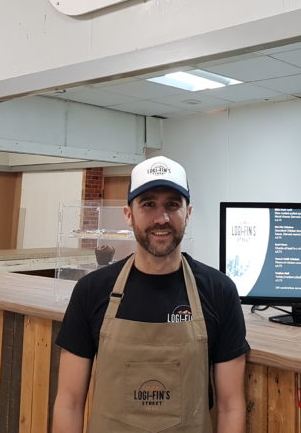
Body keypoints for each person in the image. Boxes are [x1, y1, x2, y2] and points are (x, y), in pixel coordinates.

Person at [53, 156, 250, 432]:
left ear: (188, 213)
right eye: (148, 204)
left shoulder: (219, 291)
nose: (161, 218)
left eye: (172, 204)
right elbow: (69, 403)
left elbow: (231, 406)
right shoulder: (91, 290)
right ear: (128, 214)